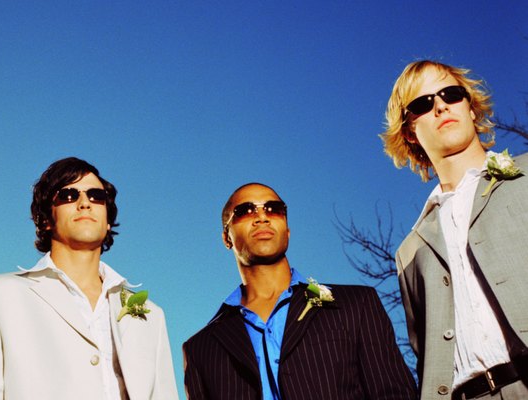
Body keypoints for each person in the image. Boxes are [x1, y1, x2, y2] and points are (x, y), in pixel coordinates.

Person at [0, 157, 177, 399]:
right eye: (69, 195)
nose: (84, 203)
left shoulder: (151, 315)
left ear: (108, 220)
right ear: (46, 219)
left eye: (96, 196)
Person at [182, 183, 416, 400]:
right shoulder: (200, 348)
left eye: (274, 209)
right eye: (245, 211)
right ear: (227, 238)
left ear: (287, 231)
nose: (262, 217)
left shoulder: (356, 304)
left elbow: (394, 394)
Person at [382, 60, 528, 399]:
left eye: (451, 94)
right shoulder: (409, 251)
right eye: (422, 104)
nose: (441, 105)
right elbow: (425, 351)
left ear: (471, 108)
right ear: (409, 132)